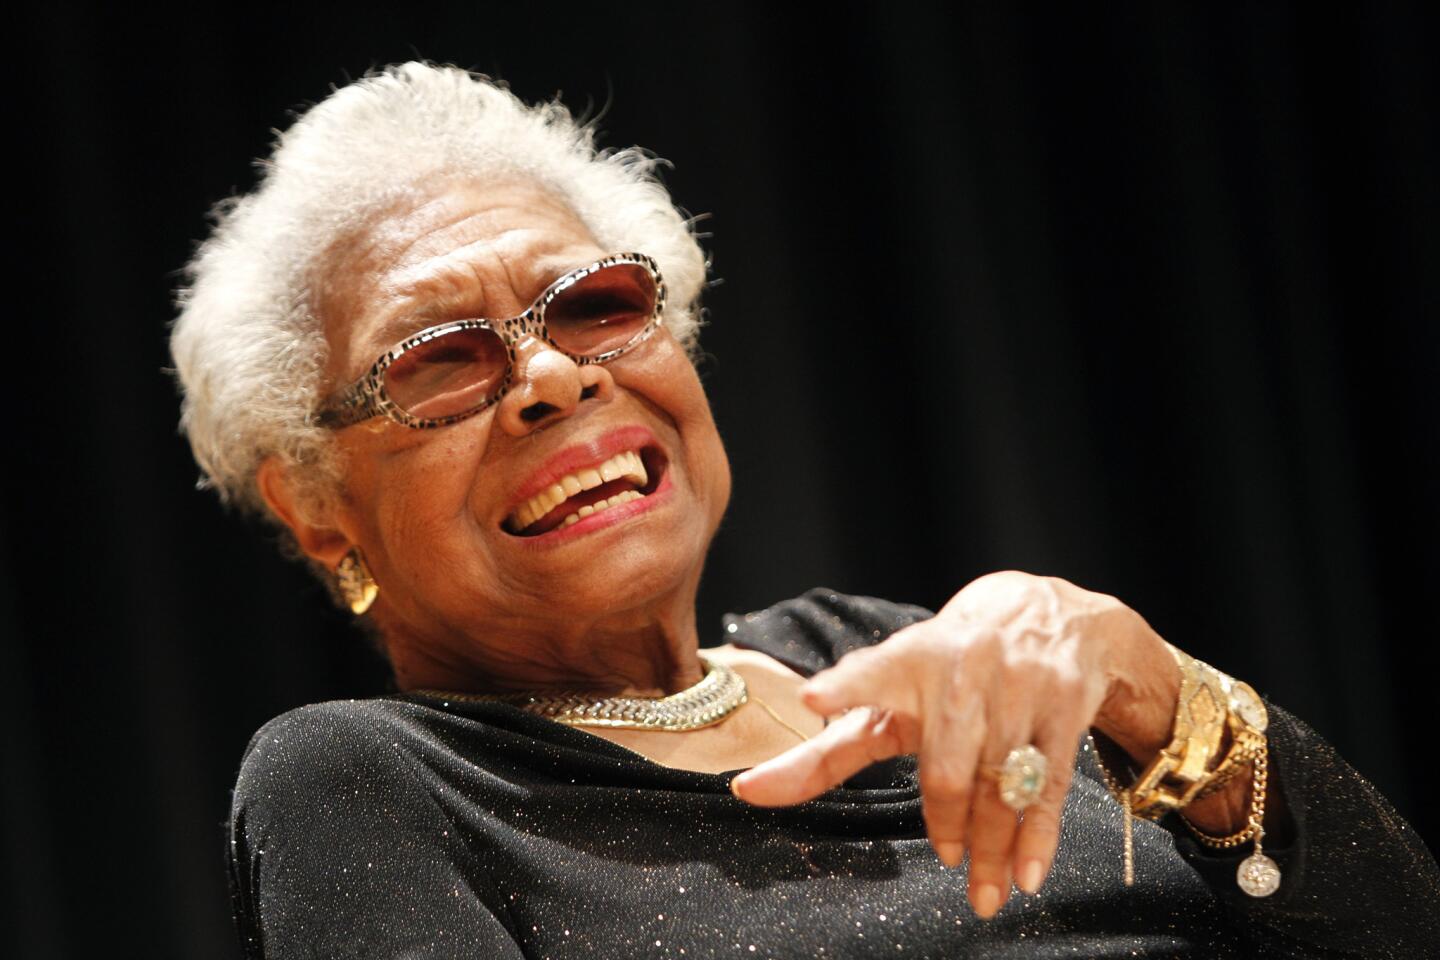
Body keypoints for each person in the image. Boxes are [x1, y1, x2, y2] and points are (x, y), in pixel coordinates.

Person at [173, 63, 1438, 958]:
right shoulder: (366, 787)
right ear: (318, 506)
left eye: (599, 303)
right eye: (440, 362)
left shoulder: (882, 647)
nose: (554, 377)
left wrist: (1161, 697)